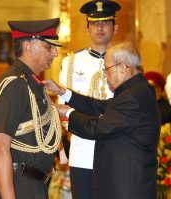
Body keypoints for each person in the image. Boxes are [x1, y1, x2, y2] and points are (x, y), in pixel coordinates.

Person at [43, 41, 161, 199]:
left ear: (122, 67)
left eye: (106, 69)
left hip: (128, 188)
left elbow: (99, 128)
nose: (104, 75)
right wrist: (63, 93)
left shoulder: (133, 96)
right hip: (126, 184)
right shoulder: (135, 90)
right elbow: (100, 107)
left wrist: (68, 113)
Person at [0, 18, 62, 199]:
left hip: (30, 185)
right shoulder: (16, 84)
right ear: (28, 46)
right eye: (49, 47)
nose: (55, 53)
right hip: (16, 184)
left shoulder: (29, 82)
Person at [59, 0, 121, 198]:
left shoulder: (127, 61)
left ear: (115, 27)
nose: (100, 27)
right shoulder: (71, 62)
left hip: (118, 152)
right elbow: (63, 112)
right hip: (83, 152)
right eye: (94, 23)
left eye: (105, 22)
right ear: (87, 28)